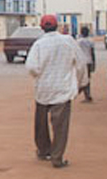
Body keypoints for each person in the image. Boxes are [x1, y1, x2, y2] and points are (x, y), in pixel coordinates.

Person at [26, 14, 88, 168]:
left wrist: (39, 75)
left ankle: (43, 151)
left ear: (42, 27)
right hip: (63, 89)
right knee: (60, 126)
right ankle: (57, 157)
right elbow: (81, 64)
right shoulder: (68, 41)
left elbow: (32, 67)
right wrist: (82, 83)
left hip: (43, 89)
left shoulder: (39, 44)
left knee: (41, 124)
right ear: (58, 26)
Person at [75, 26, 95, 102]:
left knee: (82, 79)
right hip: (89, 61)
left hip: (81, 62)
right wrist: (94, 63)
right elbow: (92, 53)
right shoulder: (91, 41)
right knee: (87, 78)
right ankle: (87, 94)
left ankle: (83, 94)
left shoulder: (78, 41)